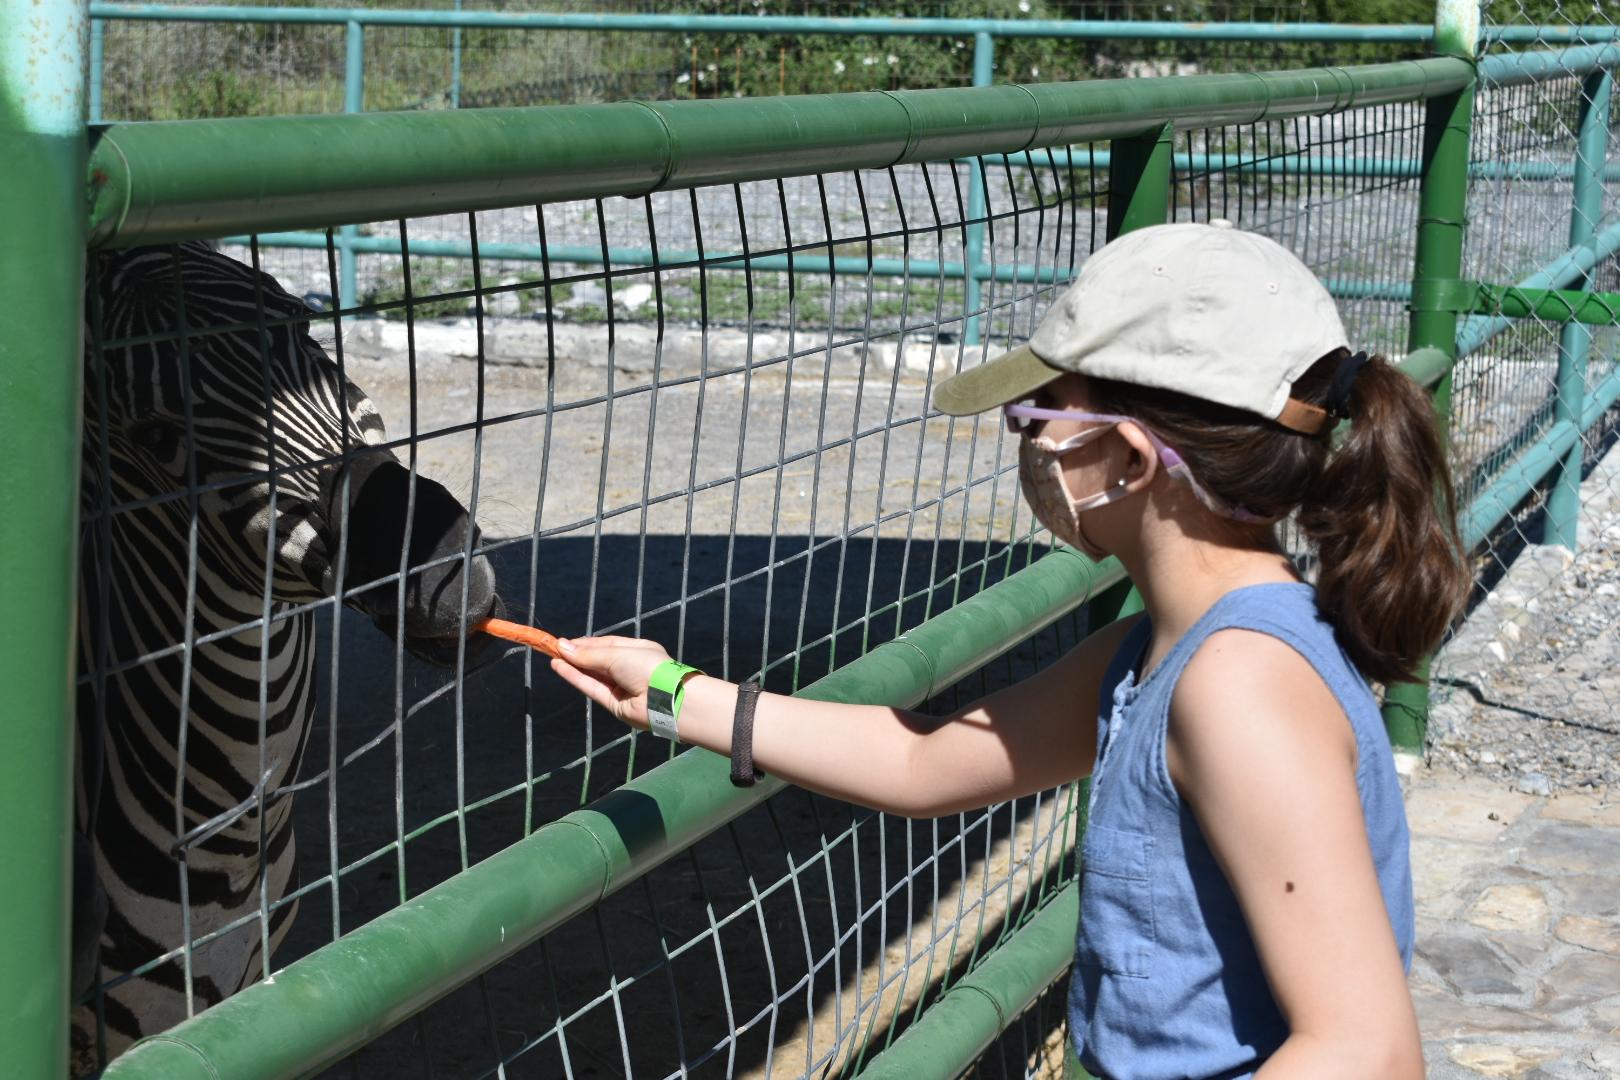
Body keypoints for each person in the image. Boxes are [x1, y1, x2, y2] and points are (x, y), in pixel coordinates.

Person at [549, 220, 1467, 1079]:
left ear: (1134, 460)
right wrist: (672, 690)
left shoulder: (1238, 685)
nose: (1026, 433)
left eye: (1046, 409)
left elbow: (1366, 1050)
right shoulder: (1162, 650)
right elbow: (924, 761)